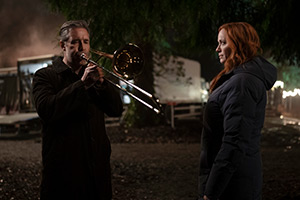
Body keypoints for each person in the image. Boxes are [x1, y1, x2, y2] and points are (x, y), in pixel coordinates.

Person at [32, 20, 123, 200]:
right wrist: (82, 85)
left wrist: (102, 84)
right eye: (75, 42)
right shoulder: (45, 76)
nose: (82, 47)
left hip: (97, 174)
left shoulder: (95, 76)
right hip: (64, 176)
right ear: (63, 45)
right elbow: (46, 109)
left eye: (86, 41)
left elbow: (116, 110)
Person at [197, 22, 277, 200]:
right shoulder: (238, 79)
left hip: (233, 186)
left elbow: (234, 143)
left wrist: (211, 193)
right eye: (218, 43)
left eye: (223, 43)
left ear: (240, 45)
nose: (217, 49)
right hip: (233, 180)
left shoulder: (242, 83)